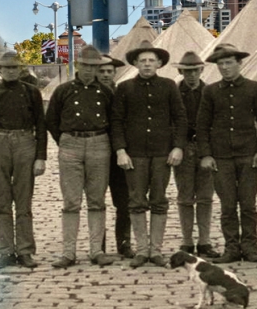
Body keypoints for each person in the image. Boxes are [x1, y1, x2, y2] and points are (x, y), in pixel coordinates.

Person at [111, 41, 187, 268]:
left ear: (159, 64)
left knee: (159, 200)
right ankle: (142, 250)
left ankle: (156, 250)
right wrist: (121, 150)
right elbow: (116, 121)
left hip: (162, 153)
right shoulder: (124, 88)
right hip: (134, 155)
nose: (146, 64)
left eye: (151, 61)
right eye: (142, 61)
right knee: (135, 201)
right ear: (135, 63)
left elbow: (180, 118)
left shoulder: (169, 86)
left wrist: (178, 146)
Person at [196, 43, 257, 264]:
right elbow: (202, 125)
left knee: (248, 204)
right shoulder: (210, 91)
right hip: (221, 157)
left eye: (229, 63)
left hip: (248, 155)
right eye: (220, 64)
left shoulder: (254, 88)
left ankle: (250, 247)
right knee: (228, 205)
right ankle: (231, 248)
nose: (225, 68)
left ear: (239, 64)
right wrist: (206, 155)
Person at [0, 51, 47, 269]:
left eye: (14, 68)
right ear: (0, 70)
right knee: (2, 201)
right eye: (6, 68)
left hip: (25, 141)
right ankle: (5, 251)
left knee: (24, 201)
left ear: (21, 69)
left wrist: (40, 157)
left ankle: (25, 251)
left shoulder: (32, 93)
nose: (10, 71)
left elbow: (41, 127)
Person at [46, 45, 115, 268]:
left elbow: (115, 121)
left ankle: (96, 250)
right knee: (71, 201)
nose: (88, 71)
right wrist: (65, 141)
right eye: (85, 65)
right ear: (77, 65)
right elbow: (51, 120)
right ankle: (68, 253)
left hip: (99, 144)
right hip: (70, 145)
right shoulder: (63, 90)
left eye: (93, 67)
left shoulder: (106, 92)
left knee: (97, 200)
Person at [172, 51, 220, 259]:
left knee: (205, 197)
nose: (191, 75)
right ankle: (187, 241)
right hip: (182, 147)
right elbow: (171, 122)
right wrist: (177, 147)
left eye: (195, 71)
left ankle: (204, 241)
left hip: (204, 148)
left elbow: (216, 122)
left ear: (201, 70)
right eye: (187, 71)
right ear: (181, 71)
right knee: (184, 197)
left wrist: (210, 151)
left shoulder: (210, 92)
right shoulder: (174, 92)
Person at [98, 53, 135, 259]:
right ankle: (99, 245)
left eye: (109, 71)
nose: (105, 75)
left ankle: (124, 243)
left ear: (115, 73)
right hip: (96, 152)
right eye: (101, 71)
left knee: (124, 201)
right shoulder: (90, 92)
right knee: (97, 201)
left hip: (119, 154)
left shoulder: (122, 92)